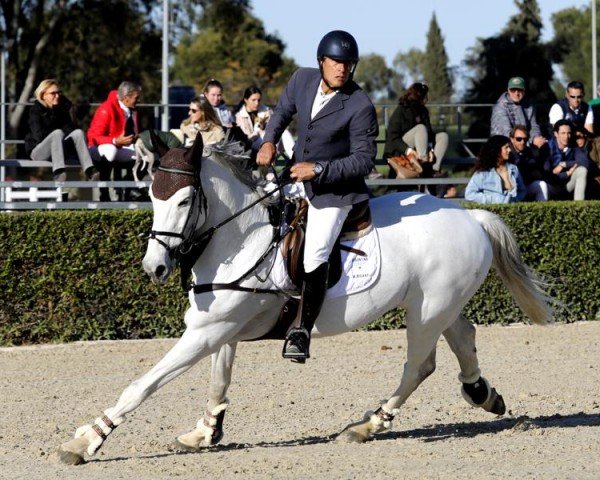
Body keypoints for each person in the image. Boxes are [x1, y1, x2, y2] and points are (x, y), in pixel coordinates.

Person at [256, 30, 378, 362]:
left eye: (348, 64)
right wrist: (269, 140)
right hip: (296, 176)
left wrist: (320, 170)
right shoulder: (302, 79)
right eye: (336, 62)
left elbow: (364, 160)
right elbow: (281, 112)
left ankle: (301, 330)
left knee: (315, 253)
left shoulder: (360, 104)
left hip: (335, 192)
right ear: (321, 61)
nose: (342, 69)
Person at [24, 79, 99, 182]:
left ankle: (90, 171)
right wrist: (57, 134)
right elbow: (39, 136)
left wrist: (59, 132)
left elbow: (70, 128)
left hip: (59, 149)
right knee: (57, 133)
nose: (57, 96)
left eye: (58, 92)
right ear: (43, 95)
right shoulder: (35, 111)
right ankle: (58, 173)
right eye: (53, 93)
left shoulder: (60, 109)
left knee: (78, 133)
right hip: (39, 151)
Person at [87, 81, 142, 201]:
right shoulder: (106, 108)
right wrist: (115, 141)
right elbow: (94, 136)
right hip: (99, 148)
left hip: (121, 146)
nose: (139, 101)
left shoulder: (133, 109)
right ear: (126, 98)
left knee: (146, 153)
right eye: (136, 98)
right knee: (111, 150)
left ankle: (129, 189)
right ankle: (104, 192)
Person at [383, 82, 449, 176]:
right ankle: (423, 163)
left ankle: (433, 170)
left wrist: (431, 149)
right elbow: (392, 137)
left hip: (421, 147)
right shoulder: (401, 110)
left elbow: (429, 133)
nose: (426, 99)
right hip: (401, 149)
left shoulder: (423, 111)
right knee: (420, 128)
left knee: (443, 136)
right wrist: (408, 150)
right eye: (424, 97)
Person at [234, 86, 294, 158]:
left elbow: (276, 125)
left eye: (259, 100)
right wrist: (259, 132)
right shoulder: (240, 116)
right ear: (246, 100)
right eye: (253, 100)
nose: (257, 103)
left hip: (270, 138)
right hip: (253, 142)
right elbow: (247, 138)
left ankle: (294, 158)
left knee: (285, 132)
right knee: (269, 137)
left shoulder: (266, 110)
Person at [465, 135, 526, 204]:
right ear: (497, 150)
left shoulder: (514, 169)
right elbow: (469, 194)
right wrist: (493, 200)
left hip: (512, 210)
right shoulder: (483, 172)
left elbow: (522, 191)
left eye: (510, 147)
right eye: (506, 147)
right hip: (492, 212)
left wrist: (514, 200)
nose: (509, 150)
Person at [490, 77, 547, 148]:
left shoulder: (529, 106)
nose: (516, 93)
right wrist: (531, 141)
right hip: (504, 148)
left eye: (519, 90)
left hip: (523, 145)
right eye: (513, 90)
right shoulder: (500, 108)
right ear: (508, 90)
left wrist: (535, 138)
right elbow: (506, 135)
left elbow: (533, 126)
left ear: (524, 91)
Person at [541, 119, 589, 201]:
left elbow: (585, 163)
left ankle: (579, 206)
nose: (566, 137)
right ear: (556, 134)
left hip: (567, 185)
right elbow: (548, 175)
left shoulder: (573, 145)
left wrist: (565, 164)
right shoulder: (547, 148)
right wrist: (567, 173)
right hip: (552, 187)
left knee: (582, 170)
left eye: (569, 133)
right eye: (563, 133)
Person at [508, 125, 549, 201]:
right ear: (512, 139)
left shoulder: (529, 152)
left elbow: (537, 172)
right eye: (519, 139)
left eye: (525, 139)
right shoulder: (507, 153)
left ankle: (543, 210)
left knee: (542, 185)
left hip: (525, 185)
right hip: (511, 188)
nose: (522, 142)